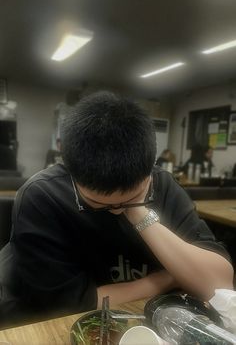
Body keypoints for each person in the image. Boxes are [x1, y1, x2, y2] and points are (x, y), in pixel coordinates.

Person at [0, 92, 233, 327]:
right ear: (71, 173)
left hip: (151, 320)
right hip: (69, 324)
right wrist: (170, 277)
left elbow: (220, 286)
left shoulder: (163, 184)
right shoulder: (42, 196)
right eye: (100, 203)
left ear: (150, 170)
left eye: (131, 198)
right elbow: (63, 305)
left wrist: (140, 214)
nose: (116, 210)